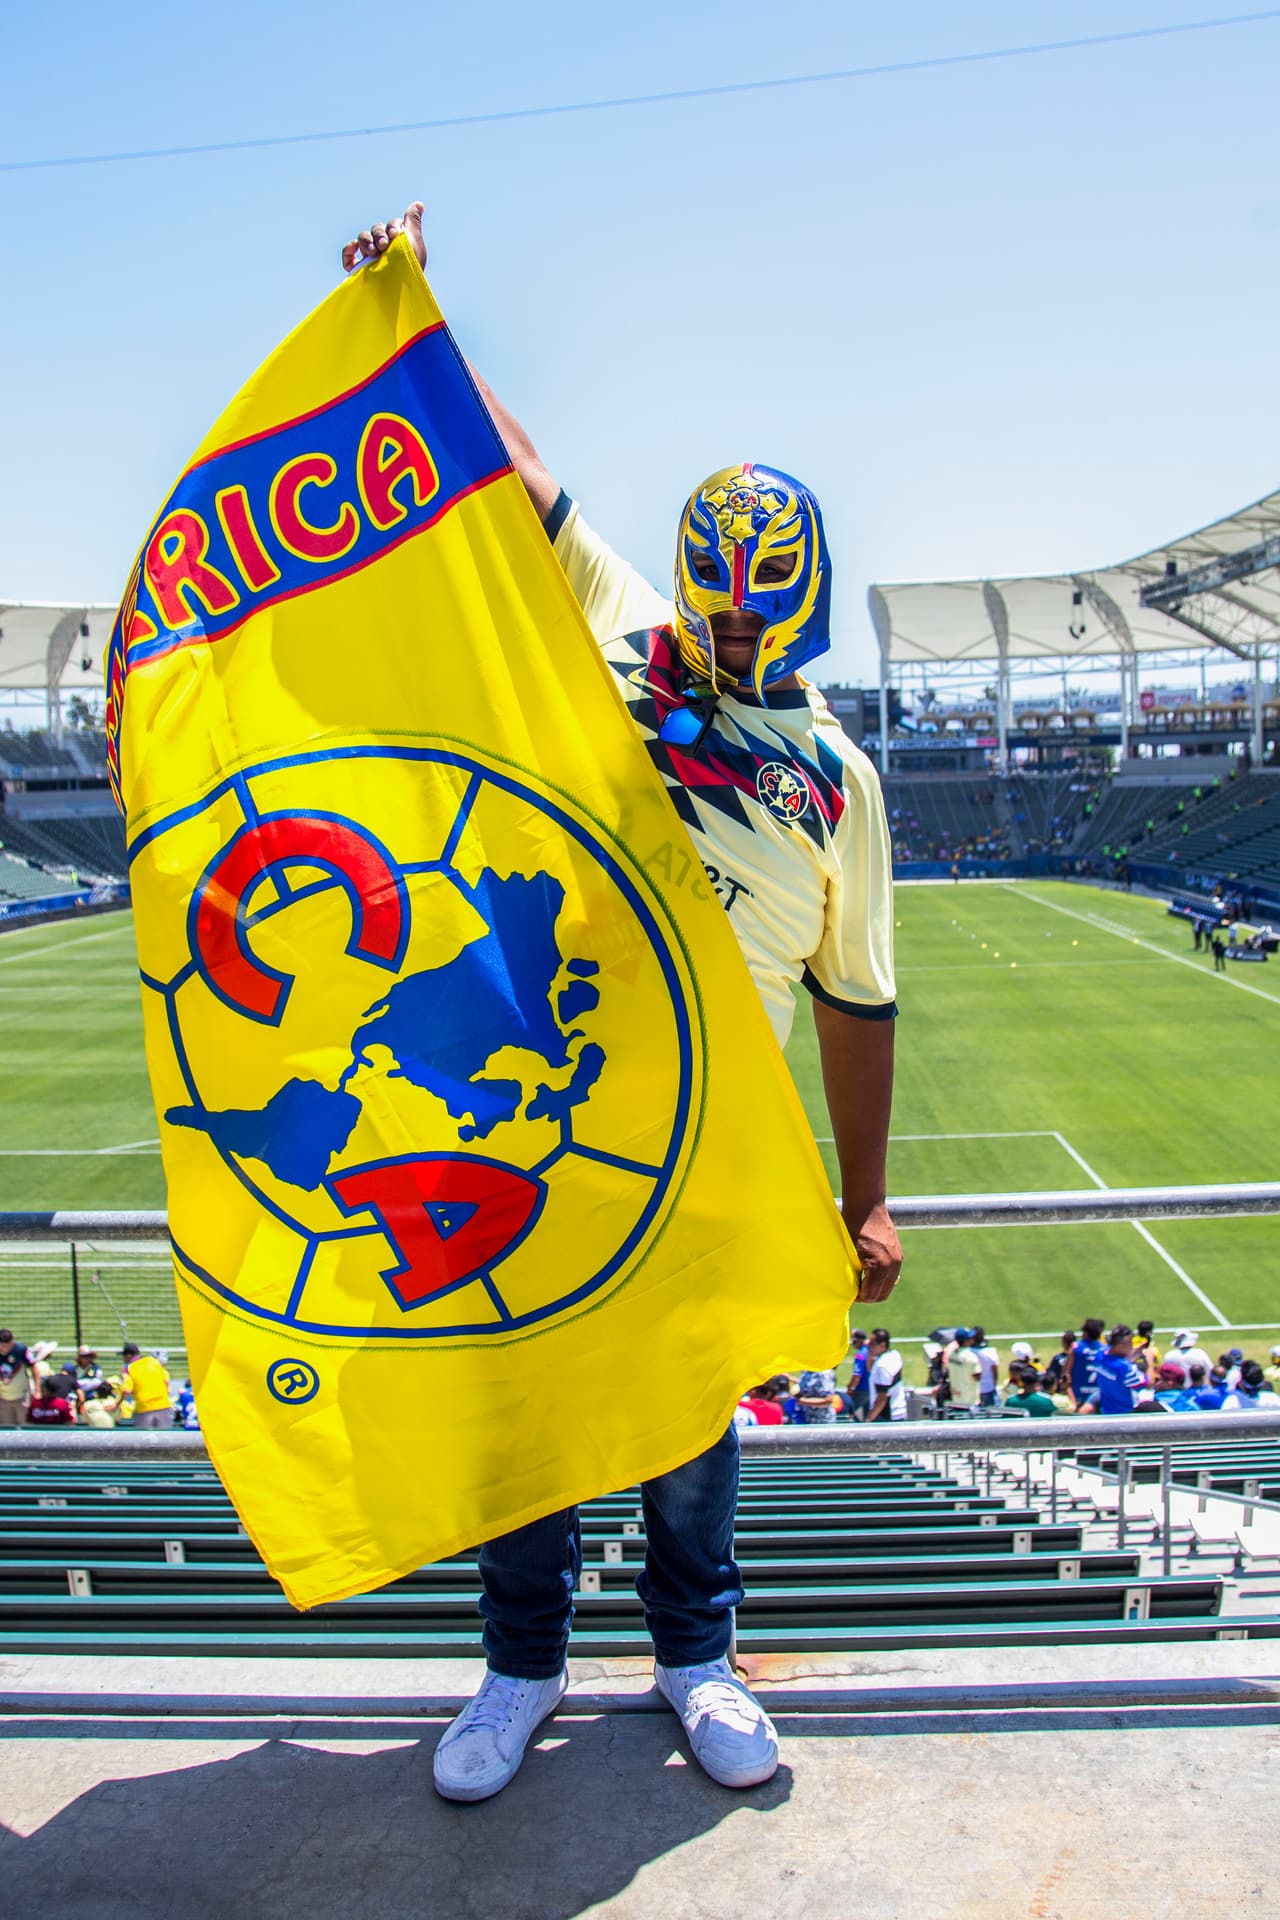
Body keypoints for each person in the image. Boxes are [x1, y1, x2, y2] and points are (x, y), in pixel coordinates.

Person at [344, 204, 903, 1804]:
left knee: (684, 1424)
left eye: (751, 602)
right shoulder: (629, 642)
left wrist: (864, 1204)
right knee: (535, 1396)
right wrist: (417, 308)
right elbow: (515, 481)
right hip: (544, 1105)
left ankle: (696, 1655)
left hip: (706, 1154)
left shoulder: (839, 784)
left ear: (798, 598)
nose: (725, 623)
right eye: (711, 595)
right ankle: (520, 1667)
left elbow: (859, 1005)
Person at [1080, 1325, 1145, 1416]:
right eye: (1130, 1343)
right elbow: (1145, 1384)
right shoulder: (1126, 1368)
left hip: (1106, 1410)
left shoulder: (1099, 1356)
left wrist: (1129, 1358)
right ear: (1121, 1345)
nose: (1131, 1347)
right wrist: (1148, 1360)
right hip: (1125, 1414)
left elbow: (1111, 1359)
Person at [120, 1344, 171, 1429]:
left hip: (144, 1409)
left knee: (143, 1440)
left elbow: (126, 1391)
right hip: (163, 1406)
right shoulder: (152, 1362)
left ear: (128, 1355)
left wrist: (117, 1404)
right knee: (165, 1439)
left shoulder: (128, 1368)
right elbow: (167, 1382)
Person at [867, 1329, 907, 1422]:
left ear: (882, 1345)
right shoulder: (894, 1355)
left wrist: (869, 1418)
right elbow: (870, 1369)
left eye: (872, 1344)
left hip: (886, 1415)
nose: (868, 1346)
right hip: (899, 1410)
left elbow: (882, 1396)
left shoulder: (882, 1365)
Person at [0, 1331, 35, 1429]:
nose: (5, 1348)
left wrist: (37, 1390)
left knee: (26, 1427)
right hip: (3, 1398)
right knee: (6, 1429)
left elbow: (33, 1366)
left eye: (8, 1345)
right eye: (2, 1346)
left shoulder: (21, 1349)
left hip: (22, 1396)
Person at [1070, 1319, 1107, 1408]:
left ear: (1086, 1333)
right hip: (1099, 1397)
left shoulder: (1076, 1348)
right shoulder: (1105, 1350)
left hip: (1079, 1396)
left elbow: (1066, 1373)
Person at [945, 1329, 982, 1411]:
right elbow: (977, 1376)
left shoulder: (951, 1355)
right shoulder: (971, 1357)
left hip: (956, 1399)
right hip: (969, 1402)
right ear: (966, 1340)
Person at [970, 1326, 1001, 1408]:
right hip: (988, 1389)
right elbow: (995, 1372)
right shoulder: (991, 1351)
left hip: (972, 1390)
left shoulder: (967, 1352)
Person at [1041, 1331, 1077, 1400]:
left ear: (1063, 1342)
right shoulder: (1078, 1359)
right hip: (1074, 1392)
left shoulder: (1057, 1358)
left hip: (1058, 1392)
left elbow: (1051, 1374)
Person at [846, 1329, 871, 1419]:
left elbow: (857, 1375)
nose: (852, 1343)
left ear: (860, 1340)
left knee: (849, 1413)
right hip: (871, 1389)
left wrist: (850, 1388)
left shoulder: (860, 1354)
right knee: (868, 1416)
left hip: (862, 1390)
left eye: (854, 1341)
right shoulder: (869, 1351)